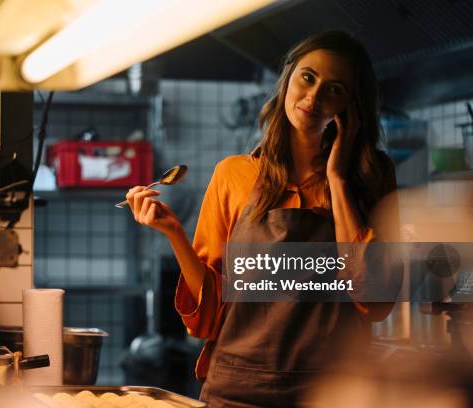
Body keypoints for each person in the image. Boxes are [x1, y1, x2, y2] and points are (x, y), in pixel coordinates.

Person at [125, 30, 399, 407]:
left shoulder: (372, 176)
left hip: (333, 393)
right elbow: (205, 320)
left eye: (334, 89)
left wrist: (337, 179)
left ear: (351, 105)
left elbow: (377, 302)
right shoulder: (233, 174)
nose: (314, 96)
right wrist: (174, 234)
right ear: (288, 78)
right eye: (308, 77)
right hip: (236, 391)